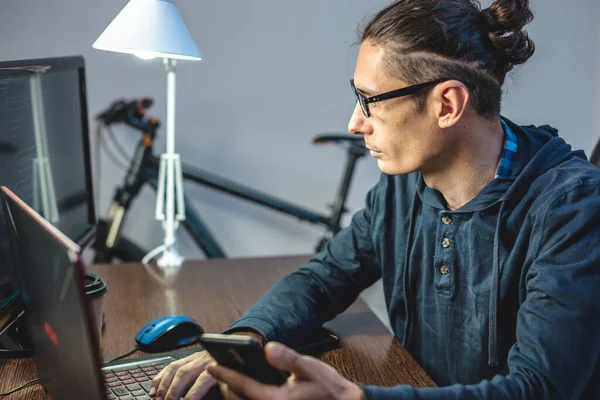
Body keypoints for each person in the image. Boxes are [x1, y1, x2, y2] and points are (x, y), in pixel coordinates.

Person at [150, 0, 600, 398]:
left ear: (447, 104)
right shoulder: (404, 186)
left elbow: (538, 388)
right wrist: (246, 339)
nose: (355, 123)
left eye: (371, 101)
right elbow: (324, 279)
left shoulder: (571, 209)